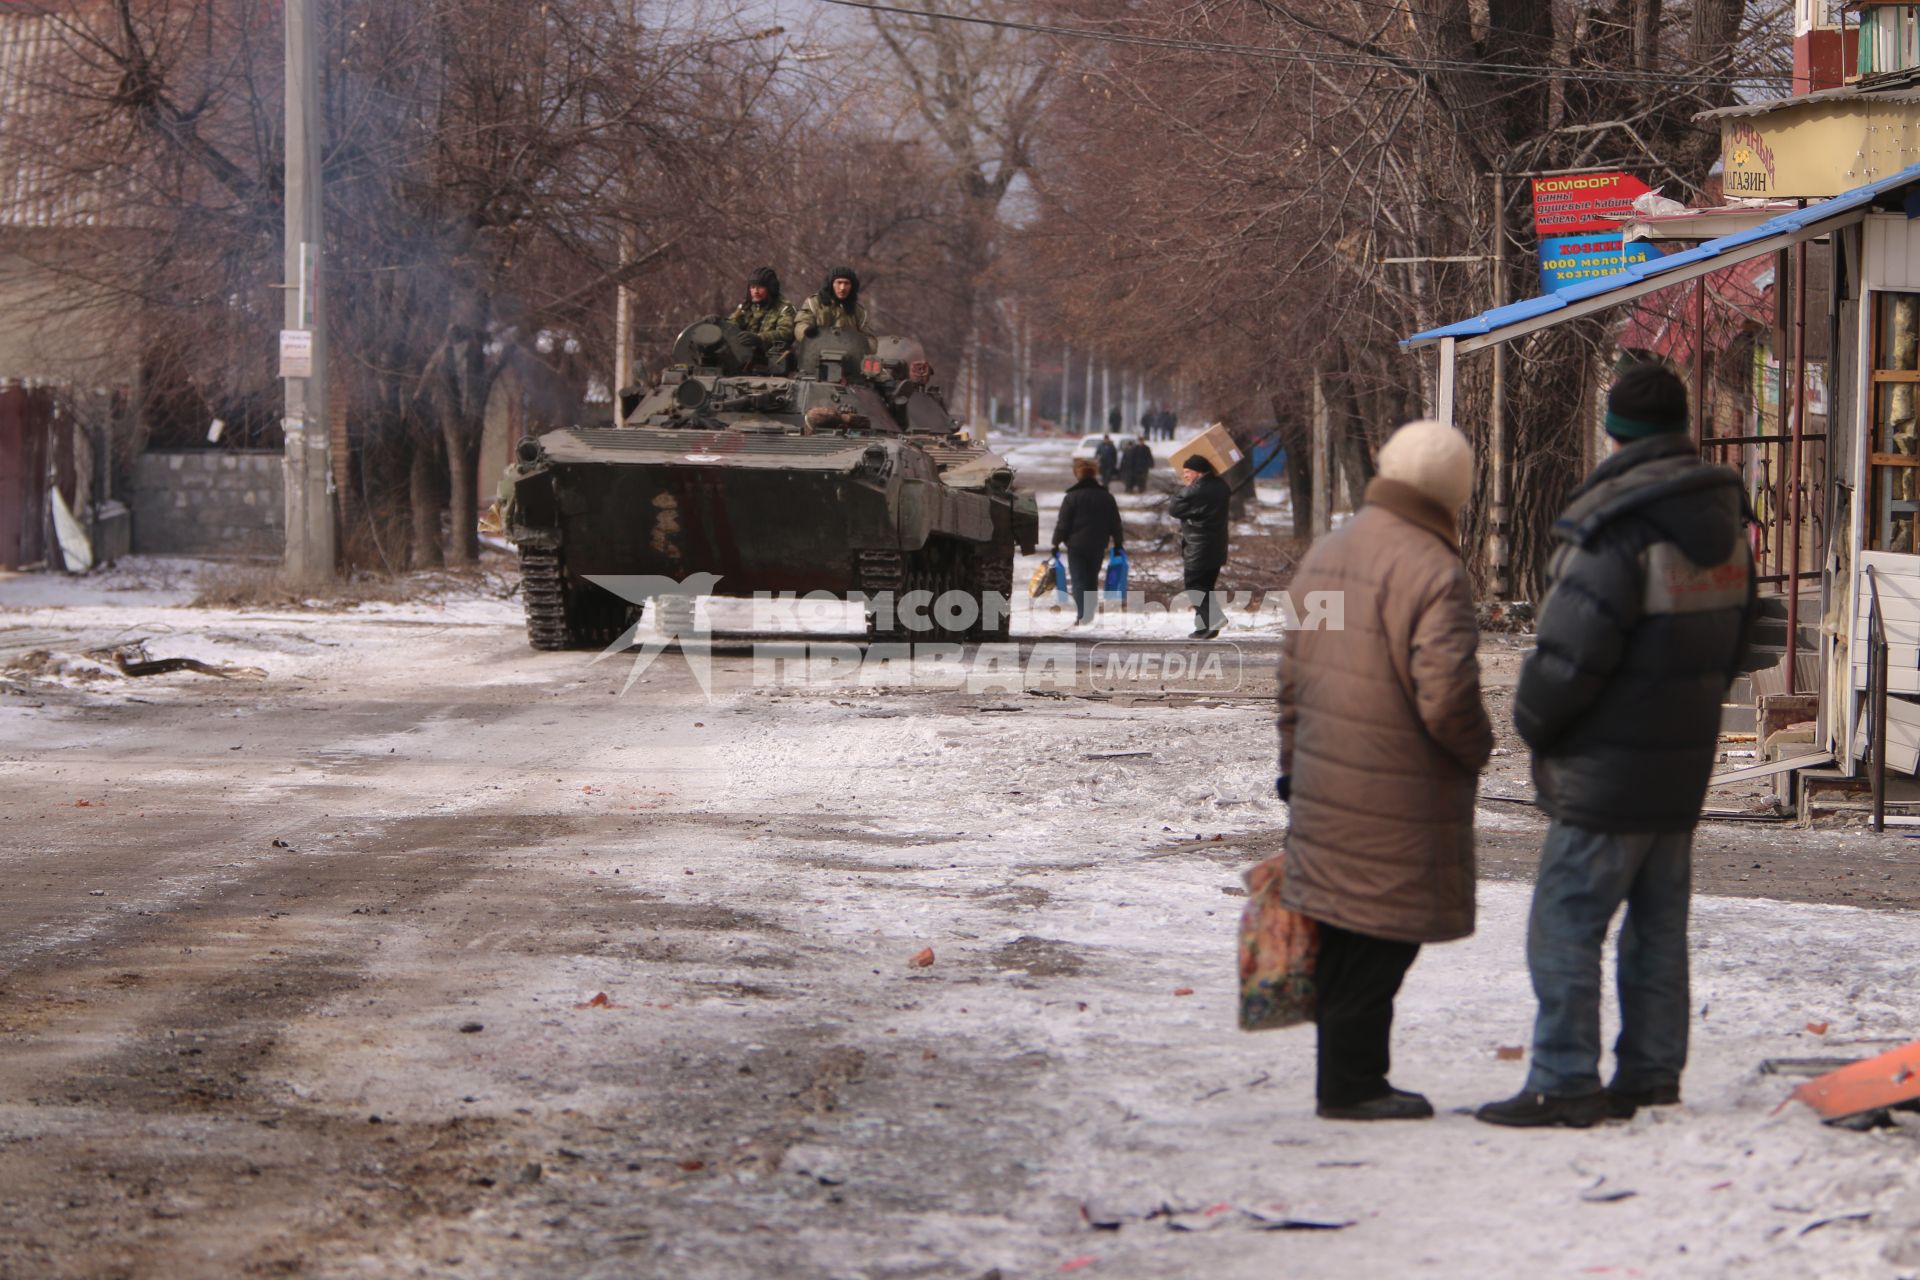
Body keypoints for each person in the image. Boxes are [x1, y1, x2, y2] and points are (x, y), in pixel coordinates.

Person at [1475, 363, 1756, 1129]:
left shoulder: (1615, 526)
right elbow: (1745, 635)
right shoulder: (1724, 518)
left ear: (1614, 434)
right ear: (1682, 426)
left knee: (1566, 922)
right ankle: (1651, 1074)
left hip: (1606, 767)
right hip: (1681, 763)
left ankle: (1564, 1080)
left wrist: (1533, 722)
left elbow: (1568, 660)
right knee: (1658, 928)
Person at [1278, 419, 1492, 1122]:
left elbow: (1294, 675)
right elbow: (1448, 693)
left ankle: (1348, 1077)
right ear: (1452, 491)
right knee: (1383, 936)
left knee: (1347, 928)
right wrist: (1475, 750)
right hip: (1396, 784)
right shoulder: (1432, 569)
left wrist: (1294, 766)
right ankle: (1353, 1084)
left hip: (1324, 778)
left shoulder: (1328, 554)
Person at [1052, 458, 1124, 625]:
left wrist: (1055, 543)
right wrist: (1118, 543)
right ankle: (1089, 613)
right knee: (1092, 578)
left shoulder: (1071, 497)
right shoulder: (1107, 497)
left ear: (1078, 475)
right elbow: (1115, 523)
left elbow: (1063, 524)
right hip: (1098, 544)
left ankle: (1082, 614)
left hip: (1076, 546)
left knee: (1078, 579)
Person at [1167, 454, 1229, 638]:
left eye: (1188, 472)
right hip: (1216, 545)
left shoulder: (1198, 490)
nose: (1185, 475)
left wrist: (1185, 490)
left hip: (1199, 546)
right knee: (1206, 587)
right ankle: (1204, 627)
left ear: (1199, 472)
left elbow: (1174, 508)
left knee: (1194, 586)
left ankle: (1215, 618)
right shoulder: (1221, 486)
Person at [727, 267, 795, 370]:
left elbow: (785, 333)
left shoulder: (784, 308)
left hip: (773, 362)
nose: (755, 291)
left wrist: (760, 338)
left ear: (771, 288)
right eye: (753, 287)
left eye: (760, 287)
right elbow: (731, 325)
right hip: (744, 361)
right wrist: (718, 323)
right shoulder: (746, 306)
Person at [794, 266, 875, 340]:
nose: (842, 288)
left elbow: (869, 338)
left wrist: (863, 343)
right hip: (817, 351)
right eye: (839, 283)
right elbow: (801, 324)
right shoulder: (814, 303)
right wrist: (806, 333)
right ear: (830, 284)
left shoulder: (858, 311)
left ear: (852, 286)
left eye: (846, 283)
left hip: (848, 353)